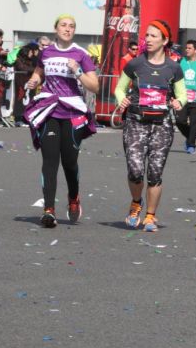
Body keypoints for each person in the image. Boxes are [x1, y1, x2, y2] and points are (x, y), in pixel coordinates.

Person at [24, 15, 100, 228]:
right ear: (55, 29)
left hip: (73, 113)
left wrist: (77, 71)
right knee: (50, 161)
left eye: (71, 26)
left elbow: (94, 86)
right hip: (50, 110)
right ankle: (48, 209)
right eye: (63, 25)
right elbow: (39, 73)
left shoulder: (81, 54)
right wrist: (34, 81)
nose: (67, 29)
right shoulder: (46, 52)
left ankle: (74, 197)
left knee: (69, 162)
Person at [115, 20, 185, 232]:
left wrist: (178, 102)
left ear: (165, 40)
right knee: (135, 169)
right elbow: (119, 88)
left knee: (155, 172)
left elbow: (182, 94)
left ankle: (150, 216)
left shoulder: (173, 67)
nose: (148, 39)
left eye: (154, 36)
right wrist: (121, 100)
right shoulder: (135, 64)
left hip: (162, 124)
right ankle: (136, 203)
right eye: (147, 35)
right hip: (135, 121)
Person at [175, 39, 196, 154]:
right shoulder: (181, 61)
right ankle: (190, 138)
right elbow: (175, 77)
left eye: (189, 48)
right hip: (182, 97)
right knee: (180, 121)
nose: (186, 50)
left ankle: (191, 145)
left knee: (194, 123)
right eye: (186, 48)